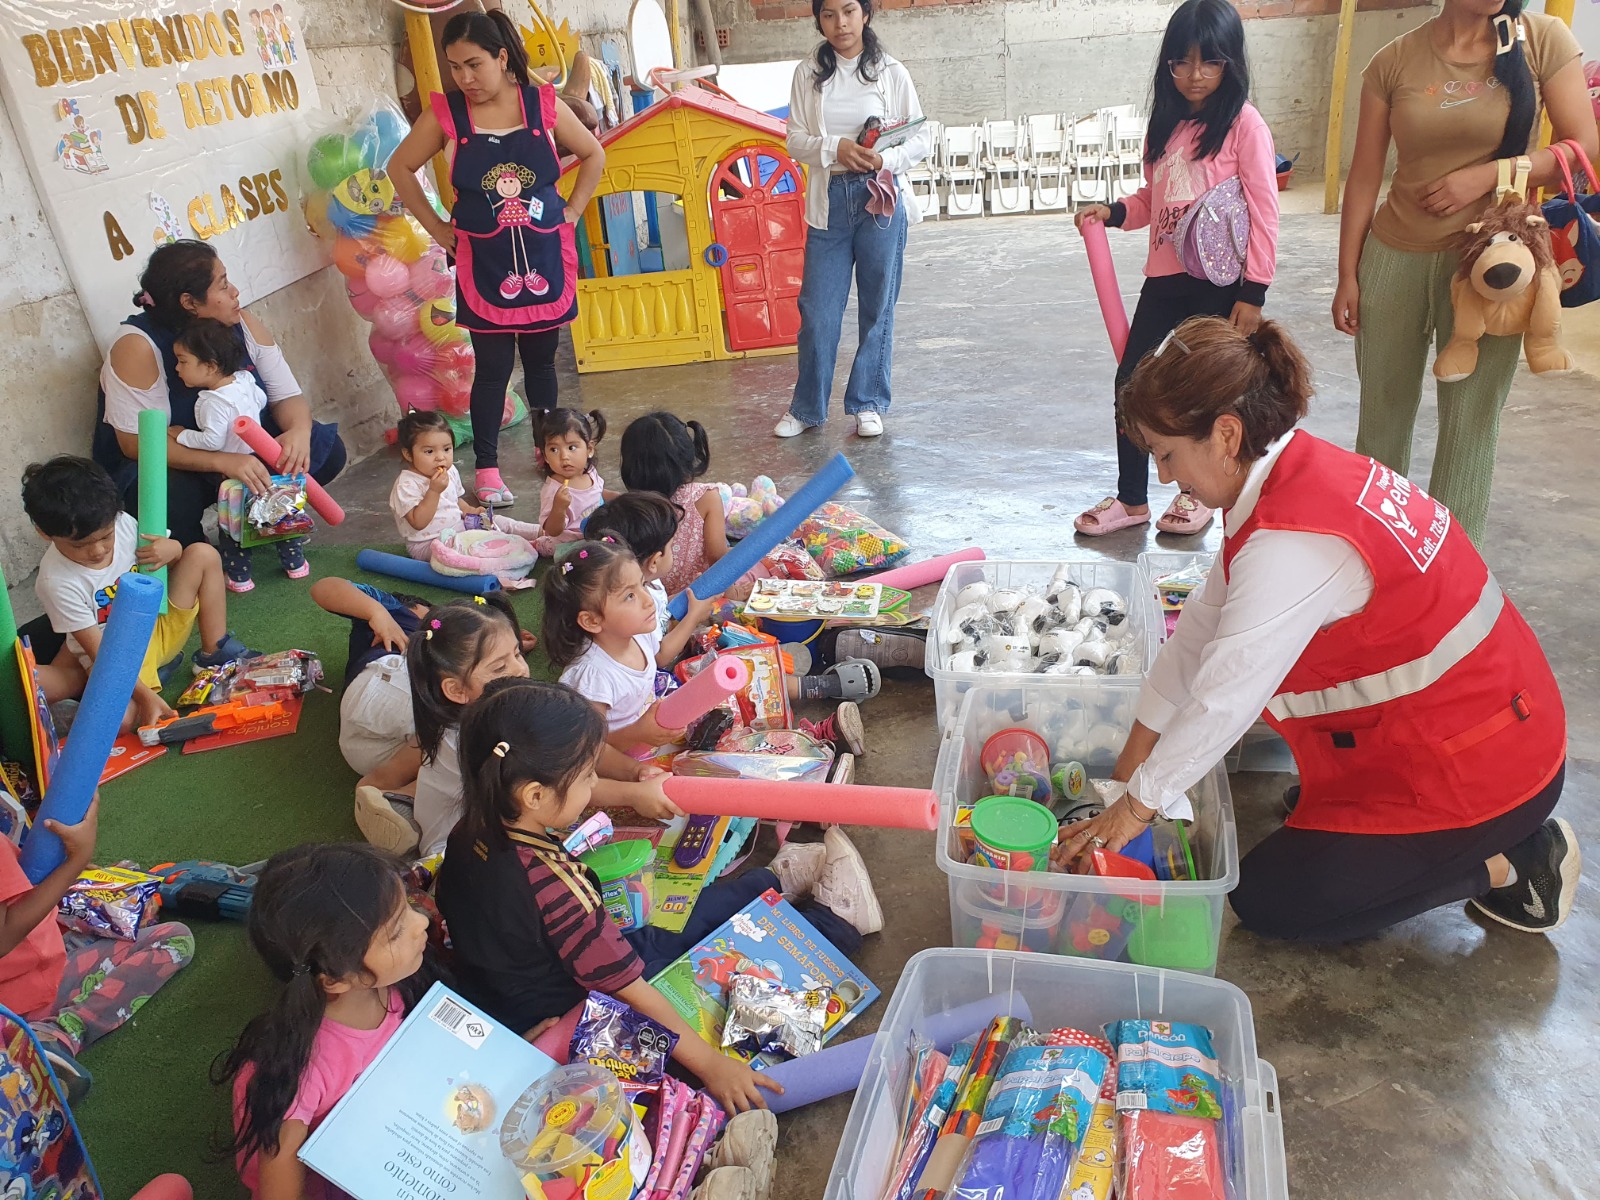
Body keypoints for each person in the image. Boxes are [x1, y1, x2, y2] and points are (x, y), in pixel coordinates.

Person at [1053, 316, 1578, 941]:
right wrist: (1125, 777)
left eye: (1166, 454)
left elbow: (1225, 696)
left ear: (1225, 435)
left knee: (1274, 901)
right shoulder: (1285, 477)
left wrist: (1136, 808)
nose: (1165, 476)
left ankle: (1515, 864)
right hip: (1467, 729)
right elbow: (1194, 639)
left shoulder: (1291, 544)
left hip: (1486, 769)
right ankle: (1390, 826)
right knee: (1301, 827)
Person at [435, 679, 883, 1112]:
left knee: (676, 923)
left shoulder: (468, 832)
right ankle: (835, 921)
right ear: (533, 795)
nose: (594, 785)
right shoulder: (552, 885)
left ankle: (774, 879)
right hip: (582, 1009)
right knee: (717, 986)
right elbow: (630, 988)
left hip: (539, 984)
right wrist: (710, 1066)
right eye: (587, 776)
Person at [1333, 0, 1596, 546]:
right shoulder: (1393, 61)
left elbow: (1584, 147)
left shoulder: (1540, 38)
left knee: (1470, 423)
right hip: (1393, 256)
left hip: (1494, 263)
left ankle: (1456, 568)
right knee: (1381, 412)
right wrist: (1348, 274)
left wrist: (1489, 176)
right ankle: (1378, 554)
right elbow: (1363, 175)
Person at [1072, 0, 1278, 538]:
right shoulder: (1163, 127)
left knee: (1205, 396)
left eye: (1209, 62)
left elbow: (1264, 211)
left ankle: (1199, 495)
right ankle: (1132, 499)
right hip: (1164, 281)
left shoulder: (1243, 124)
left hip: (1220, 286)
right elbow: (1153, 200)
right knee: (1130, 384)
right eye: (1181, 63)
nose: (1194, 75)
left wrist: (1253, 291)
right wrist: (1115, 212)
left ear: (1230, 62)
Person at [388, 9, 605, 508]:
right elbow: (399, 166)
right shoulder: (447, 114)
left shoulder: (544, 105)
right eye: (454, 67)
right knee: (491, 369)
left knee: (541, 364)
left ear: (502, 58)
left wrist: (571, 211)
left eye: (474, 64)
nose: (464, 78)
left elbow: (593, 154)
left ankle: (549, 458)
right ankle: (487, 470)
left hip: (543, 255)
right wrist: (437, 226)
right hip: (482, 261)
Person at [213, 843, 435, 1199]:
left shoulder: (388, 984)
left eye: (407, 907)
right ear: (335, 978)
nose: (421, 922)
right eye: (395, 931)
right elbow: (279, 1184)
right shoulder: (304, 1066)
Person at [92, 240, 347, 549]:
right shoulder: (137, 346)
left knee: (325, 451)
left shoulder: (241, 321)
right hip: (181, 460)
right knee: (167, 502)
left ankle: (260, 521)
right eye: (223, 286)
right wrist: (221, 461)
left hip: (239, 448)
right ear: (189, 302)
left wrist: (299, 431)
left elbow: (287, 396)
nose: (235, 292)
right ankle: (194, 553)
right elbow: (135, 443)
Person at [543, 539, 874, 772]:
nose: (648, 601)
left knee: (737, 691)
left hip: (662, 720)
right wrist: (637, 762)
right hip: (633, 755)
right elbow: (589, 749)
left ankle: (810, 737)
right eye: (630, 596)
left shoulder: (634, 633)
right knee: (721, 756)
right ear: (591, 621)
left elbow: (660, 657)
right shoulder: (591, 677)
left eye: (643, 585)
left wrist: (693, 616)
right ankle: (809, 759)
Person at [401, 593, 676, 859]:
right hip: (461, 852)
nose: (520, 669)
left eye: (517, 654)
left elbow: (576, 745)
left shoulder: (510, 707)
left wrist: (633, 770)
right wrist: (634, 794)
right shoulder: (477, 738)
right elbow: (560, 785)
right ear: (456, 689)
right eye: (499, 668)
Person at [774, 0, 931, 440]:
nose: (840, 24)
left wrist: (887, 157)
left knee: (877, 305)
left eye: (848, 11)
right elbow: (793, 140)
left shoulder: (891, 72)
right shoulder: (808, 73)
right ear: (819, 19)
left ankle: (868, 402)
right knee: (818, 311)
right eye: (829, 15)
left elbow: (922, 136)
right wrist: (836, 149)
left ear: (865, 14)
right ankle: (807, 408)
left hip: (879, 198)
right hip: (830, 199)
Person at [23, 456, 254, 731]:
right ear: (43, 533)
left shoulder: (121, 522)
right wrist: (145, 696)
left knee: (202, 554)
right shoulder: (55, 580)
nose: (98, 550)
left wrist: (174, 549)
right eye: (81, 545)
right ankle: (77, 713)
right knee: (120, 722)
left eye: (105, 537)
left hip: (160, 624)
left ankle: (214, 650)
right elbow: (102, 654)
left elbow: (167, 564)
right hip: (119, 653)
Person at [0, 798, 192, 1102]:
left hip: (37, 954)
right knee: (175, 939)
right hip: (24, 993)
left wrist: (78, 876)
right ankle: (56, 1036)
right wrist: (76, 860)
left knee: (127, 885)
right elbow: (4, 936)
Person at [168, 317, 304, 591]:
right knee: (279, 512)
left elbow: (211, 440)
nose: (177, 368)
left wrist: (180, 434)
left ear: (210, 366)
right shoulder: (245, 379)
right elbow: (262, 401)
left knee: (234, 524)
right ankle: (295, 564)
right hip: (262, 459)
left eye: (183, 361)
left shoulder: (211, 402)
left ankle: (240, 577)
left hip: (232, 473)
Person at [309, 576, 428, 804]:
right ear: (416, 608)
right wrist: (378, 612)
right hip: (389, 686)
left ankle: (401, 798)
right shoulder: (398, 612)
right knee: (468, 724)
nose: (439, 622)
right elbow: (323, 587)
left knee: (465, 755)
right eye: (434, 616)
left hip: (389, 751)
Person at [387, 410, 542, 562]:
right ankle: (515, 551)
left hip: (458, 528)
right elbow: (418, 522)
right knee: (472, 545)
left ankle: (541, 532)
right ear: (408, 454)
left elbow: (455, 500)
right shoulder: (406, 484)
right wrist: (433, 491)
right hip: (428, 544)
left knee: (497, 521)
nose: (440, 457)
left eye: (447, 449)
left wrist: (470, 510)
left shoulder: (450, 471)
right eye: (429, 451)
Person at [582, 491, 718, 665]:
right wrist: (693, 617)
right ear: (654, 561)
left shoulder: (648, 581)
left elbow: (662, 607)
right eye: (671, 546)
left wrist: (690, 593)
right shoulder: (630, 605)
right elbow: (659, 656)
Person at [618, 412, 729, 599]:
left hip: (646, 604)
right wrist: (734, 594)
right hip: (696, 599)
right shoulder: (707, 498)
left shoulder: (629, 507)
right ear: (688, 455)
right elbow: (719, 561)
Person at [535, 407, 608, 542]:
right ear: (545, 456)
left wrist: (623, 499)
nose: (564, 456)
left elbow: (599, 493)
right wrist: (559, 508)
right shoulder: (554, 490)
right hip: (566, 545)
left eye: (571, 448)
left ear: (589, 449)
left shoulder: (590, 472)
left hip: (592, 536)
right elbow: (552, 531)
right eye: (554, 449)